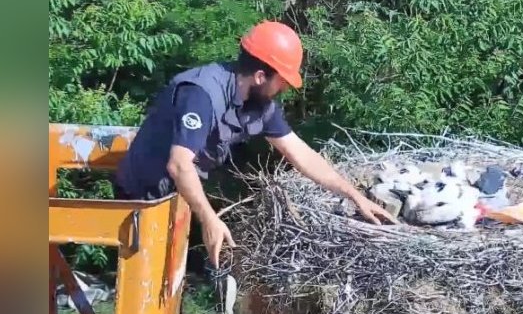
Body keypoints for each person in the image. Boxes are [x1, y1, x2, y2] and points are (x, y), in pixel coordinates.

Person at [114, 20, 396, 268]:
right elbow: (178, 164)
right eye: (282, 81)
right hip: (142, 199)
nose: (284, 89)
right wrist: (210, 219)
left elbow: (300, 154)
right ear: (261, 76)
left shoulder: (259, 104)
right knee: (144, 288)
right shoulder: (201, 94)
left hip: (179, 197)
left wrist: (354, 195)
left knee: (168, 286)